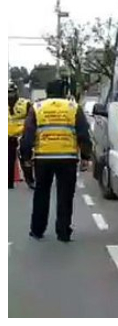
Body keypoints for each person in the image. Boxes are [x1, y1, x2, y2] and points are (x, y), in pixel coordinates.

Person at [20, 80, 92, 242]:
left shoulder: (37, 108)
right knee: (65, 195)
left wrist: (26, 157)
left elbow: (28, 135)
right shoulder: (73, 108)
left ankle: (37, 230)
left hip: (43, 158)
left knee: (41, 194)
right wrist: (86, 157)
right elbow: (83, 134)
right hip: (67, 157)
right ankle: (63, 232)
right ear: (65, 92)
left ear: (47, 92)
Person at [8, 81, 33, 189]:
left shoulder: (25, 104)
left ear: (16, 92)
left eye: (11, 92)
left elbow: (32, 119)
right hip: (8, 136)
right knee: (8, 160)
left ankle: (30, 180)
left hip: (22, 135)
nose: (10, 95)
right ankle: (8, 182)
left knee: (25, 158)